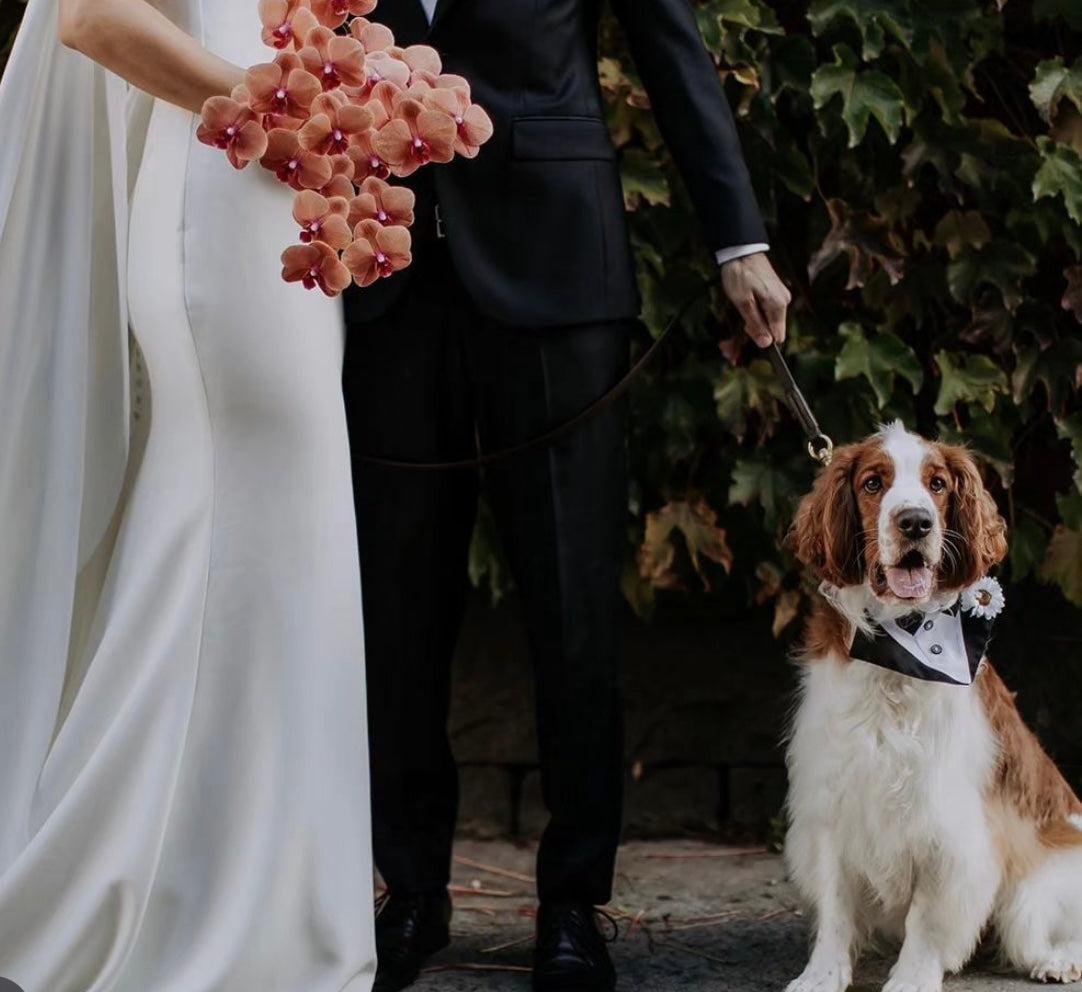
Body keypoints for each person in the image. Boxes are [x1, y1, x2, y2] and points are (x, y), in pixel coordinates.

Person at [341, 2, 791, 991]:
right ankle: (409, 888)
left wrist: (734, 242)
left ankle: (573, 900)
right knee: (393, 604)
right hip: (380, 274)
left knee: (572, 597)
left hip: (556, 269)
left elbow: (667, 38)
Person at [0, 2, 376, 989]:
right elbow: (89, 20)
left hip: (272, 180)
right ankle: (195, 912)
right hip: (227, 178)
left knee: (258, 541)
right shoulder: (251, 117)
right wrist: (272, 111)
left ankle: (217, 893)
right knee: (247, 538)